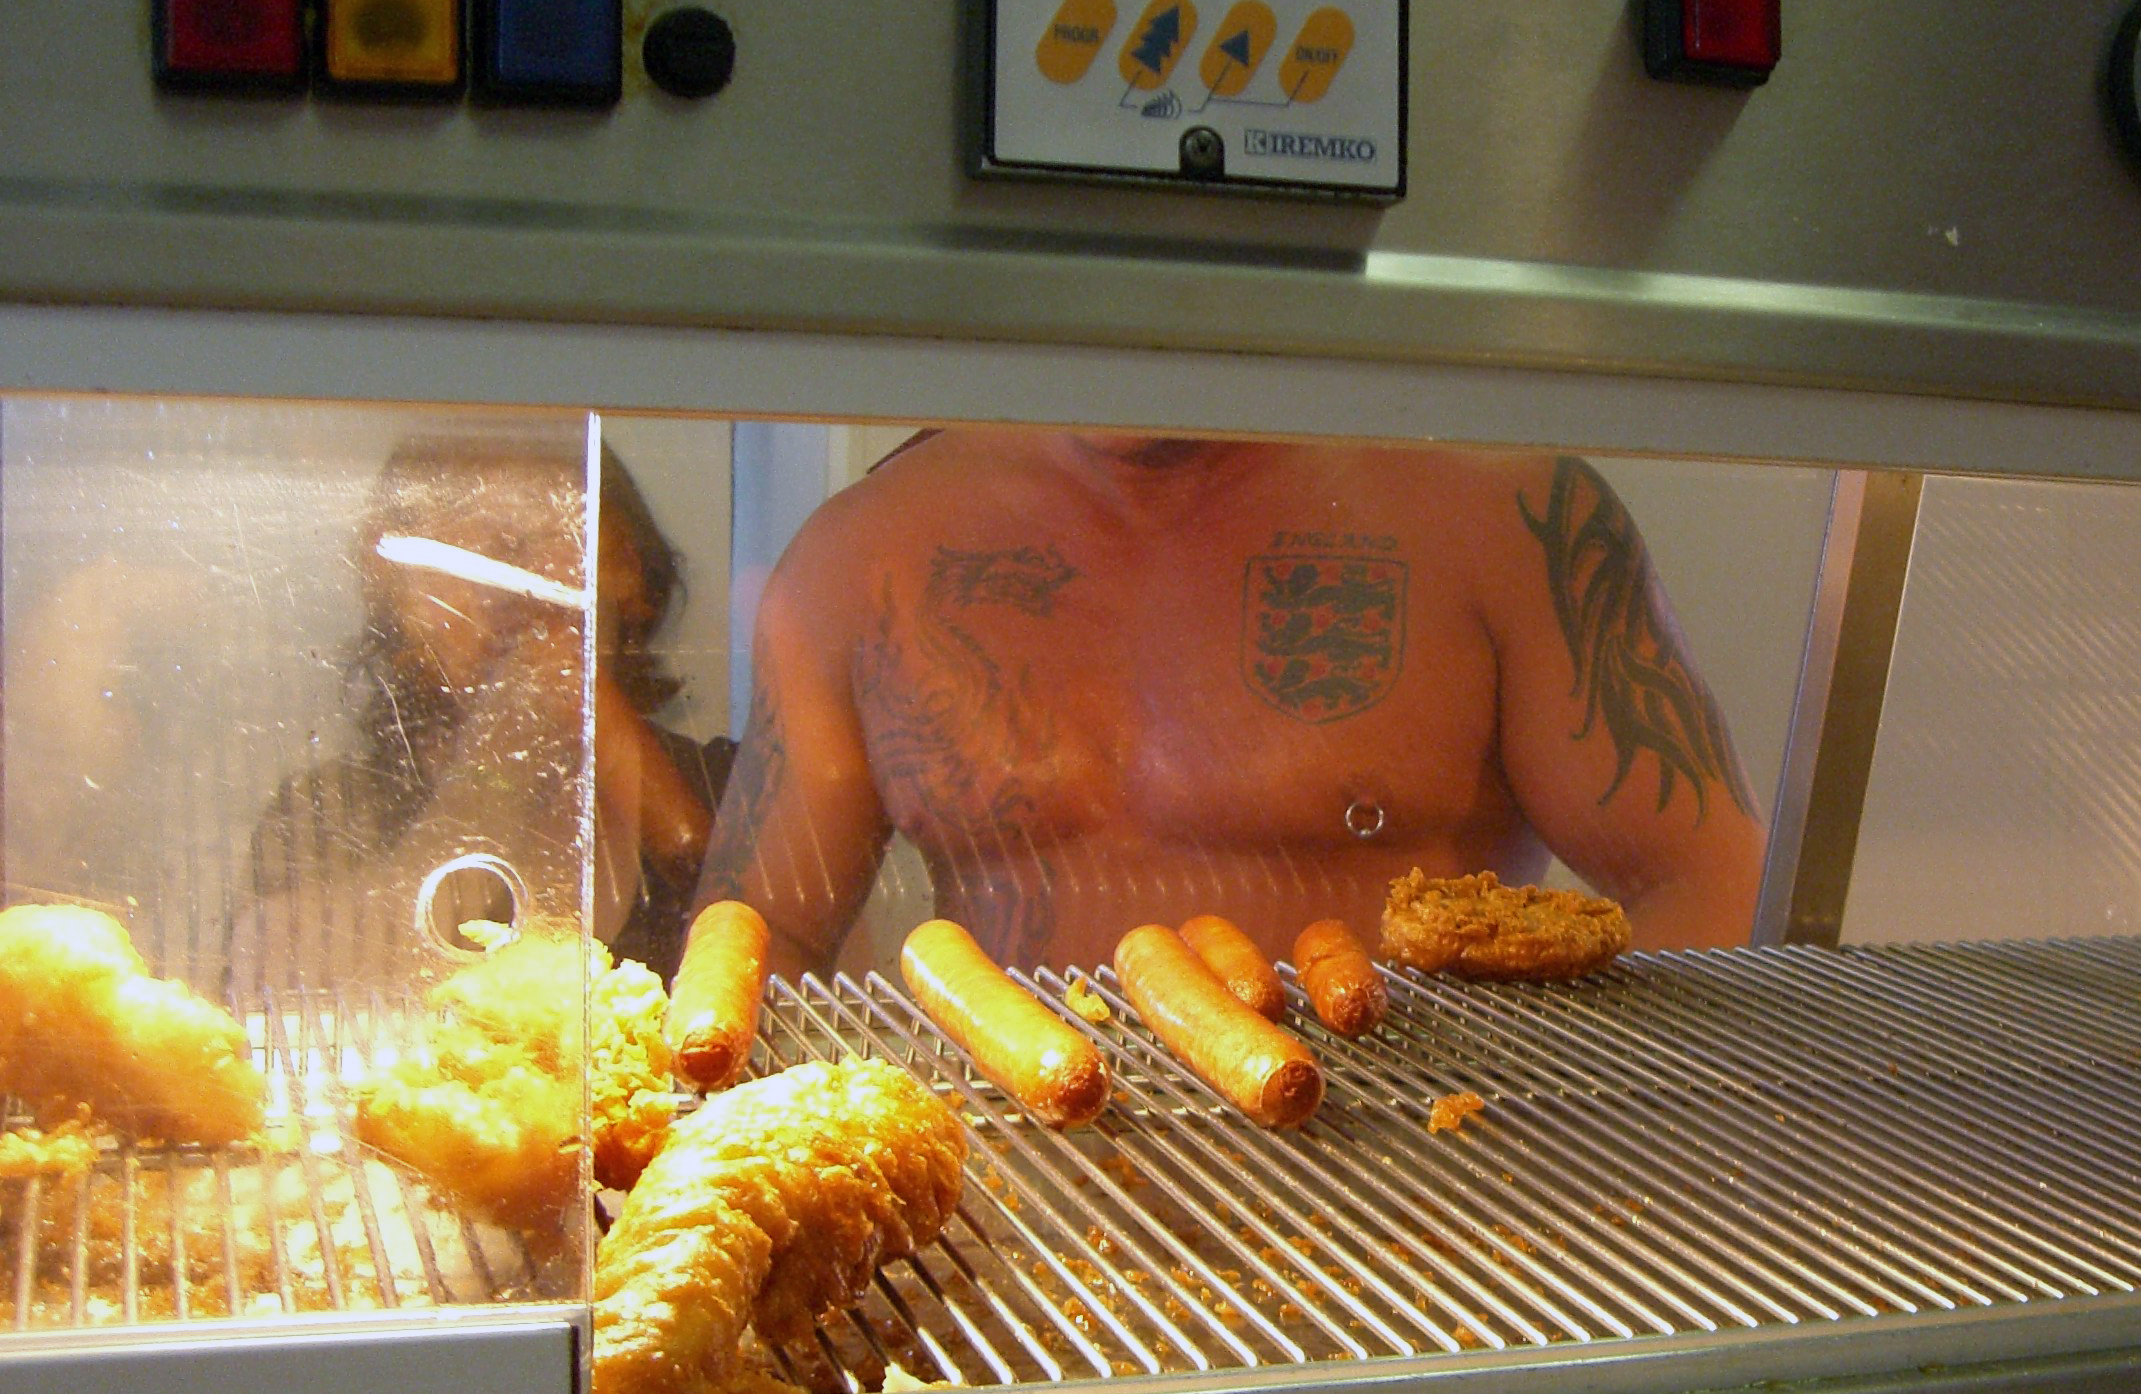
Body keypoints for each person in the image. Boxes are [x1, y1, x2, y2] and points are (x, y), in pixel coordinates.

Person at [696, 428, 1765, 977]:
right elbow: (757, 942)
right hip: (1015, 1243)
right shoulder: (867, 548)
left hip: (1413, 1244)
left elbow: (1717, 883)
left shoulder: (1497, 509)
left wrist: (1552, 1151)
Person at [243, 440, 727, 987]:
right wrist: (501, 756)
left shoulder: (731, 786)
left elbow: (754, 935)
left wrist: (600, 724)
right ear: (397, 611)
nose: (502, 585)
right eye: (457, 545)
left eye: (535, 538)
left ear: (629, 575)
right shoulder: (325, 813)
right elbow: (333, 1000)